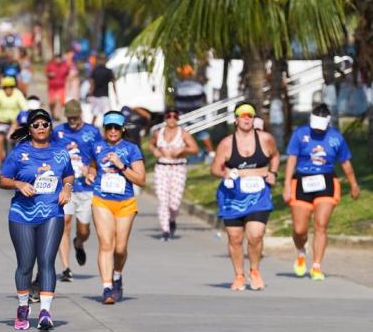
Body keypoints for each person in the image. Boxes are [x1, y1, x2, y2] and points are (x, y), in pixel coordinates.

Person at [0, 109, 74, 331]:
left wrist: (67, 188)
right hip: (22, 214)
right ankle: (23, 307)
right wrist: (18, 185)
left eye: (45, 124)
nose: (41, 128)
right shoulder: (19, 153)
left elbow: (68, 174)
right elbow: (3, 179)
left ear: (51, 127)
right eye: (36, 125)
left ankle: (45, 311)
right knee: (25, 264)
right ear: (29, 130)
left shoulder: (60, 153)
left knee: (47, 262)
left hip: (51, 212)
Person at [283, 104, 359, 281]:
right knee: (300, 229)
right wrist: (287, 185)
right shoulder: (300, 134)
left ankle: (316, 266)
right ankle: (301, 252)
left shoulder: (336, 137)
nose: (318, 130)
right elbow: (292, 159)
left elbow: (345, 162)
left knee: (321, 224)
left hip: (326, 182)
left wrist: (354, 184)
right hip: (302, 181)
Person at [210, 102, 280, 291]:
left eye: (250, 115)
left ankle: (255, 271)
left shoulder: (265, 139)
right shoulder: (226, 143)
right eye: (243, 115)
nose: (247, 118)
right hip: (233, 195)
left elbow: (275, 156)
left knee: (256, 235)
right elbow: (215, 168)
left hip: (258, 194)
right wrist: (226, 174)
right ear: (236, 119)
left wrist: (273, 173)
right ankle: (239, 275)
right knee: (234, 238)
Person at [85, 111, 145, 304]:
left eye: (116, 128)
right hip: (101, 200)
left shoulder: (131, 149)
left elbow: (141, 179)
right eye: (109, 127)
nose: (112, 131)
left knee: (120, 248)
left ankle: (117, 275)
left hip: (125, 202)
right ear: (104, 128)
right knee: (106, 244)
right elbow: (92, 165)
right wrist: (91, 172)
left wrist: (121, 166)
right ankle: (107, 287)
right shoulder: (96, 146)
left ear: (122, 129)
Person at [52, 100, 102, 281]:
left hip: (87, 187)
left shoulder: (92, 132)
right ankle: (66, 268)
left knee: (83, 230)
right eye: (69, 117)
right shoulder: (58, 132)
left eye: (75, 117)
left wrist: (92, 169)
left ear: (81, 115)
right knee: (64, 223)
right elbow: (50, 154)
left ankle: (79, 243)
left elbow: (100, 155)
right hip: (66, 186)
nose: (72, 120)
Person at [149, 108, 199, 241]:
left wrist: (183, 148)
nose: (172, 119)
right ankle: (165, 230)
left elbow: (195, 149)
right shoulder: (158, 133)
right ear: (165, 118)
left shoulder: (183, 133)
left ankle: (172, 219)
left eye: (175, 116)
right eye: (169, 116)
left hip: (178, 167)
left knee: (174, 203)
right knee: (163, 200)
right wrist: (155, 151)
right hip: (162, 167)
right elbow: (151, 144)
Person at [175, 65, 215, 162]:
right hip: (197, 114)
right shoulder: (198, 86)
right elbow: (203, 99)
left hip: (183, 115)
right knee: (203, 134)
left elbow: (176, 100)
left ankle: (187, 156)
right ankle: (211, 152)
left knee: (183, 136)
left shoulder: (178, 87)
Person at [0, 77, 27, 169]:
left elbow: (25, 107)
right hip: (2, 122)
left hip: (15, 123)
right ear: (2, 88)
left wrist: (22, 119)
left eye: (10, 87)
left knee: (21, 140)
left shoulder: (18, 94)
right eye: (5, 87)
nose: (8, 89)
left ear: (14, 87)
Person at [88, 54, 117, 124]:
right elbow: (113, 82)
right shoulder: (108, 71)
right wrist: (116, 95)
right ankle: (105, 128)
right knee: (106, 114)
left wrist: (90, 94)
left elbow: (92, 84)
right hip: (103, 96)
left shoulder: (94, 70)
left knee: (95, 114)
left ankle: (92, 128)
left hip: (97, 95)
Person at [45, 54, 70, 121]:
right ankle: (52, 114)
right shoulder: (51, 66)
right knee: (52, 102)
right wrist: (49, 74)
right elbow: (46, 73)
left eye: (59, 58)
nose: (58, 60)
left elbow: (68, 75)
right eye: (57, 58)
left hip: (61, 87)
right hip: (52, 87)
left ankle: (58, 115)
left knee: (59, 101)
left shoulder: (65, 66)